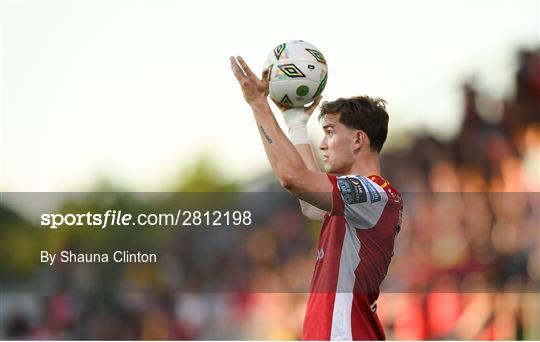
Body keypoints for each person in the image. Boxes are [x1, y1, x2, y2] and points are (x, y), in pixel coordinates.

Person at [230, 56, 403, 340]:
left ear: (358, 140)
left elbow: (294, 178)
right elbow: (311, 204)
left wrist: (260, 105)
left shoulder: (374, 194)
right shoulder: (359, 199)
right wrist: (295, 122)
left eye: (330, 133)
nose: (322, 144)